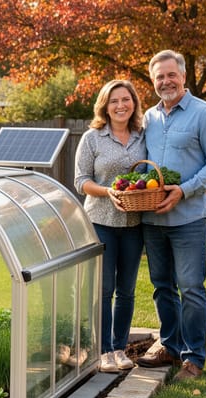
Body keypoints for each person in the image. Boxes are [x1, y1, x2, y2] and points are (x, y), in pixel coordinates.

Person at [136, 50, 206, 381]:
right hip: (153, 219)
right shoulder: (147, 118)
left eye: (171, 75)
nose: (166, 81)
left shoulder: (205, 114)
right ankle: (171, 346)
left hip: (188, 217)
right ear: (153, 81)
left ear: (184, 77)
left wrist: (185, 189)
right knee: (162, 286)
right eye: (159, 76)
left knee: (190, 287)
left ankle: (194, 358)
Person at [75, 79, 146, 373]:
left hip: (134, 222)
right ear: (105, 105)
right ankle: (103, 350)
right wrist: (109, 192)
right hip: (101, 221)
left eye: (126, 100)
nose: (121, 105)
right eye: (114, 100)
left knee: (127, 289)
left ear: (134, 104)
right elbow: (81, 181)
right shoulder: (92, 138)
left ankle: (120, 348)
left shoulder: (143, 136)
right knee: (104, 289)